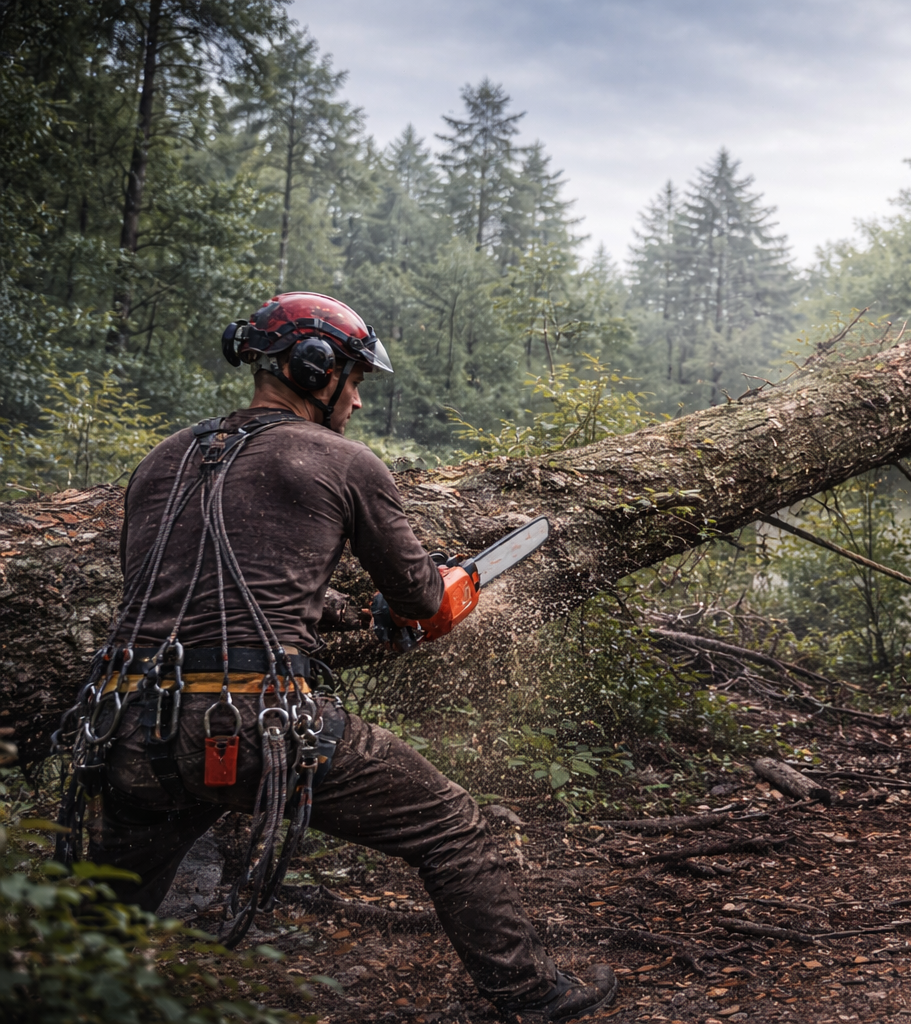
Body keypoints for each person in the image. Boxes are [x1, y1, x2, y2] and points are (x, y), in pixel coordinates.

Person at [74, 292, 617, 1021]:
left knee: (104, 911)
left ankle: (67, 1001)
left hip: (134, 724)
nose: (357, 401)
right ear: (313, 367)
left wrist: (348, 612)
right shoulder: (341, 460)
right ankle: (531, 995)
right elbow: (421, 597)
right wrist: (427, 594)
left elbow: (180, 589)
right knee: (450, 824)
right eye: (353, 380)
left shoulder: (162, 460)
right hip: (260, 721)